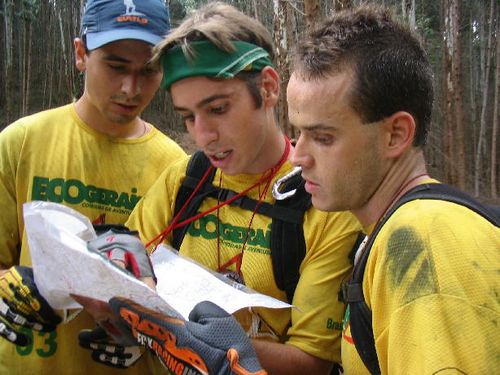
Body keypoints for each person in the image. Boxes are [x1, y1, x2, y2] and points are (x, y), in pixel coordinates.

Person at [108, 4, 499, 375]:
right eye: (299, 133)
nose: (298, 157)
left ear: (395, 134)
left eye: (323, 137)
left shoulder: (426, 237)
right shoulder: (394, 233)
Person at [120, 2, 361, 374]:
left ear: (267, 88)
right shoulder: (184, 180)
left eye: (217, 109)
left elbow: (312, 362)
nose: (203, 135)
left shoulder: (324, 203)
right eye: (188, 117)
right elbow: (126, 277)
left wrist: (217, 345)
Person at [0, 0, 186, 374]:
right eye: (115, 66)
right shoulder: (20, 143)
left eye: (148, 70)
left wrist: (154, 333)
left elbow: (181, 292)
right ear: (81, 54)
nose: (130, 88)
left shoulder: (176, 167)